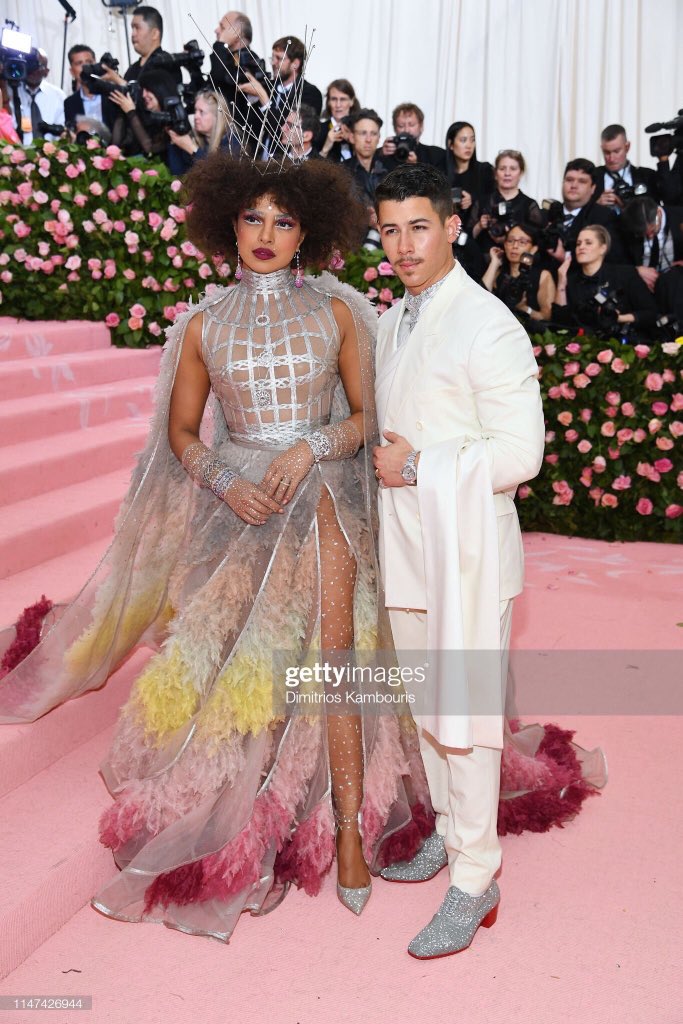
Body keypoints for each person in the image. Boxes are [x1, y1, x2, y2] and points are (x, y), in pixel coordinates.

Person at [0, 155, 435, 940]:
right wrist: (222, 480)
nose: (266, 235)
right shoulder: (201, 325)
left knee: (332, 655)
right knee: (241, 660)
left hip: (326, 505)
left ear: (309, 233)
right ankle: (246, 797)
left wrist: (311, 448)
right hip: (236, 512)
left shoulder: (338, 313)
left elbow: (371, 416)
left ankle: (343, 831)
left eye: (284, 221)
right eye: (253, 218)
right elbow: (179, 432)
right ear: (225, 223)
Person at [372, 164, 546, 959]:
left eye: (417, 227)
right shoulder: (391, 318)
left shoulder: (488, 323)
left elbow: (522, 453)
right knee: (425, 710)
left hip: (468, 551)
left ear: (450, 227)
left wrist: (415, 468)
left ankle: (476, 881)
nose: (402, 245)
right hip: (407, 549)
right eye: (389, 230)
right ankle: (448, 832)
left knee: (467, 720)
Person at [554, 225, 659, 337]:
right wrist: (561, 284)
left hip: (621, 343)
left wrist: (618, 318)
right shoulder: (570, 279)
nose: (581, 247)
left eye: (588, 243)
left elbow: (651, 313)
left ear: (603, 248)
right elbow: (560, 324)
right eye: (578, 244)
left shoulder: (625, 274)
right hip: (580, 344)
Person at [545, 158, 625, 265]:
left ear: (593, 188)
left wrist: (565, 257)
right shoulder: (548, 213)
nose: (574, 185)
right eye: (569, 180)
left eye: (582, 181)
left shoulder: (604, 217)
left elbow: (611, 258)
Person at [110, 69, 191, 173]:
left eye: (148, 90)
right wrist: (123, 110)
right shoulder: (149, 117)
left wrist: (131, 112)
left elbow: (151, 148)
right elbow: (116, 144)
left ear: (160, 89)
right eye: (142, 90)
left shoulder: (177, 116)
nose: (143, 95)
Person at [618, 196, 683, 319]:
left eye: (653, 230)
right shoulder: (624, 225)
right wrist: (636, 269)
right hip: (640, 283)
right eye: (643, 234)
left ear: (658, 212)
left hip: (674, 282)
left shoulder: (679, 216)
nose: (650, 236)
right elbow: (614, 261)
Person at [482, 222, 556, 321]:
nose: (515, 246)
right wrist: (494, 263)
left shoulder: (542, 275)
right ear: (504, 244)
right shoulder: (498, 273)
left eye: (522, 242)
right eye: (510, 241)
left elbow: (546, 316)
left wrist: (525, 309)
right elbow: (481, 298)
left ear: (533, 249)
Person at [474, 149, 542, 253]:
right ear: (495, 173)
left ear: (521, 172)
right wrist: (479, 225)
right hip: (483, 262)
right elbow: (467, 238)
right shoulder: (482, 202)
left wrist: (511, 238)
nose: (507, 173)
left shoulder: (529, 205)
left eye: (513, 169)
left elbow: (538, 243)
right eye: (502, 168)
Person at [168, 88, 240, 164]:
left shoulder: (232, 142)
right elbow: (178, 172)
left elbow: (219, 173)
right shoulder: (199, 140)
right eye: (195, 111)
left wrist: (192, 149)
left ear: (217, 116)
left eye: (201, 112)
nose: (196, 116)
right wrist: (174, 143)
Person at [594, 124, 658, 208]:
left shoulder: (647, 176)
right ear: (602, 149)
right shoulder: (592, 177)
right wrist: (596, 205)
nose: (611, 158)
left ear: (627, 147)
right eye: (607, 152)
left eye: (616, 151)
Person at [13, 48, 65, 144]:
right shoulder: (12, 91)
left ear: (46, 71)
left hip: (50, 155)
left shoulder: (58, 96)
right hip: (16, 154)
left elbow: (63, 131)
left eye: (38, 66)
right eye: (28, 64)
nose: (32, 70)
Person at [64, 45, 118, 134]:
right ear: (72, 71)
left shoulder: (111, 94)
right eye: (79, 63)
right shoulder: (69, 103)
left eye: (89, 62)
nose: (85, 67)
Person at [123, 5, 181, 87]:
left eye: (137, 28)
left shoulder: (166, 63)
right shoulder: (132, 70)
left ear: (154, 34)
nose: (133, 34)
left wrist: (120, 82)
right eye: (132, 28)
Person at [381, 103, 447, 172]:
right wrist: (380, 155)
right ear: (395, 128)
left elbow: (439, 182)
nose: (406, 130)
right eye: (401, 126)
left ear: (421, 126)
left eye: (411, 125)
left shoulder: (436, 155)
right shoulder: (384, 153)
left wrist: (415, 168)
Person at [317, 79, 359, 162]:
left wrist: (354, 142)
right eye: (334, 99)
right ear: (328, 102)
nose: (338, 105)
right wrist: (326, 147)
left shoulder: (359, 129)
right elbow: (312, 170)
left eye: (343, 99)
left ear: (351, 101)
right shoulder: (318, 130)